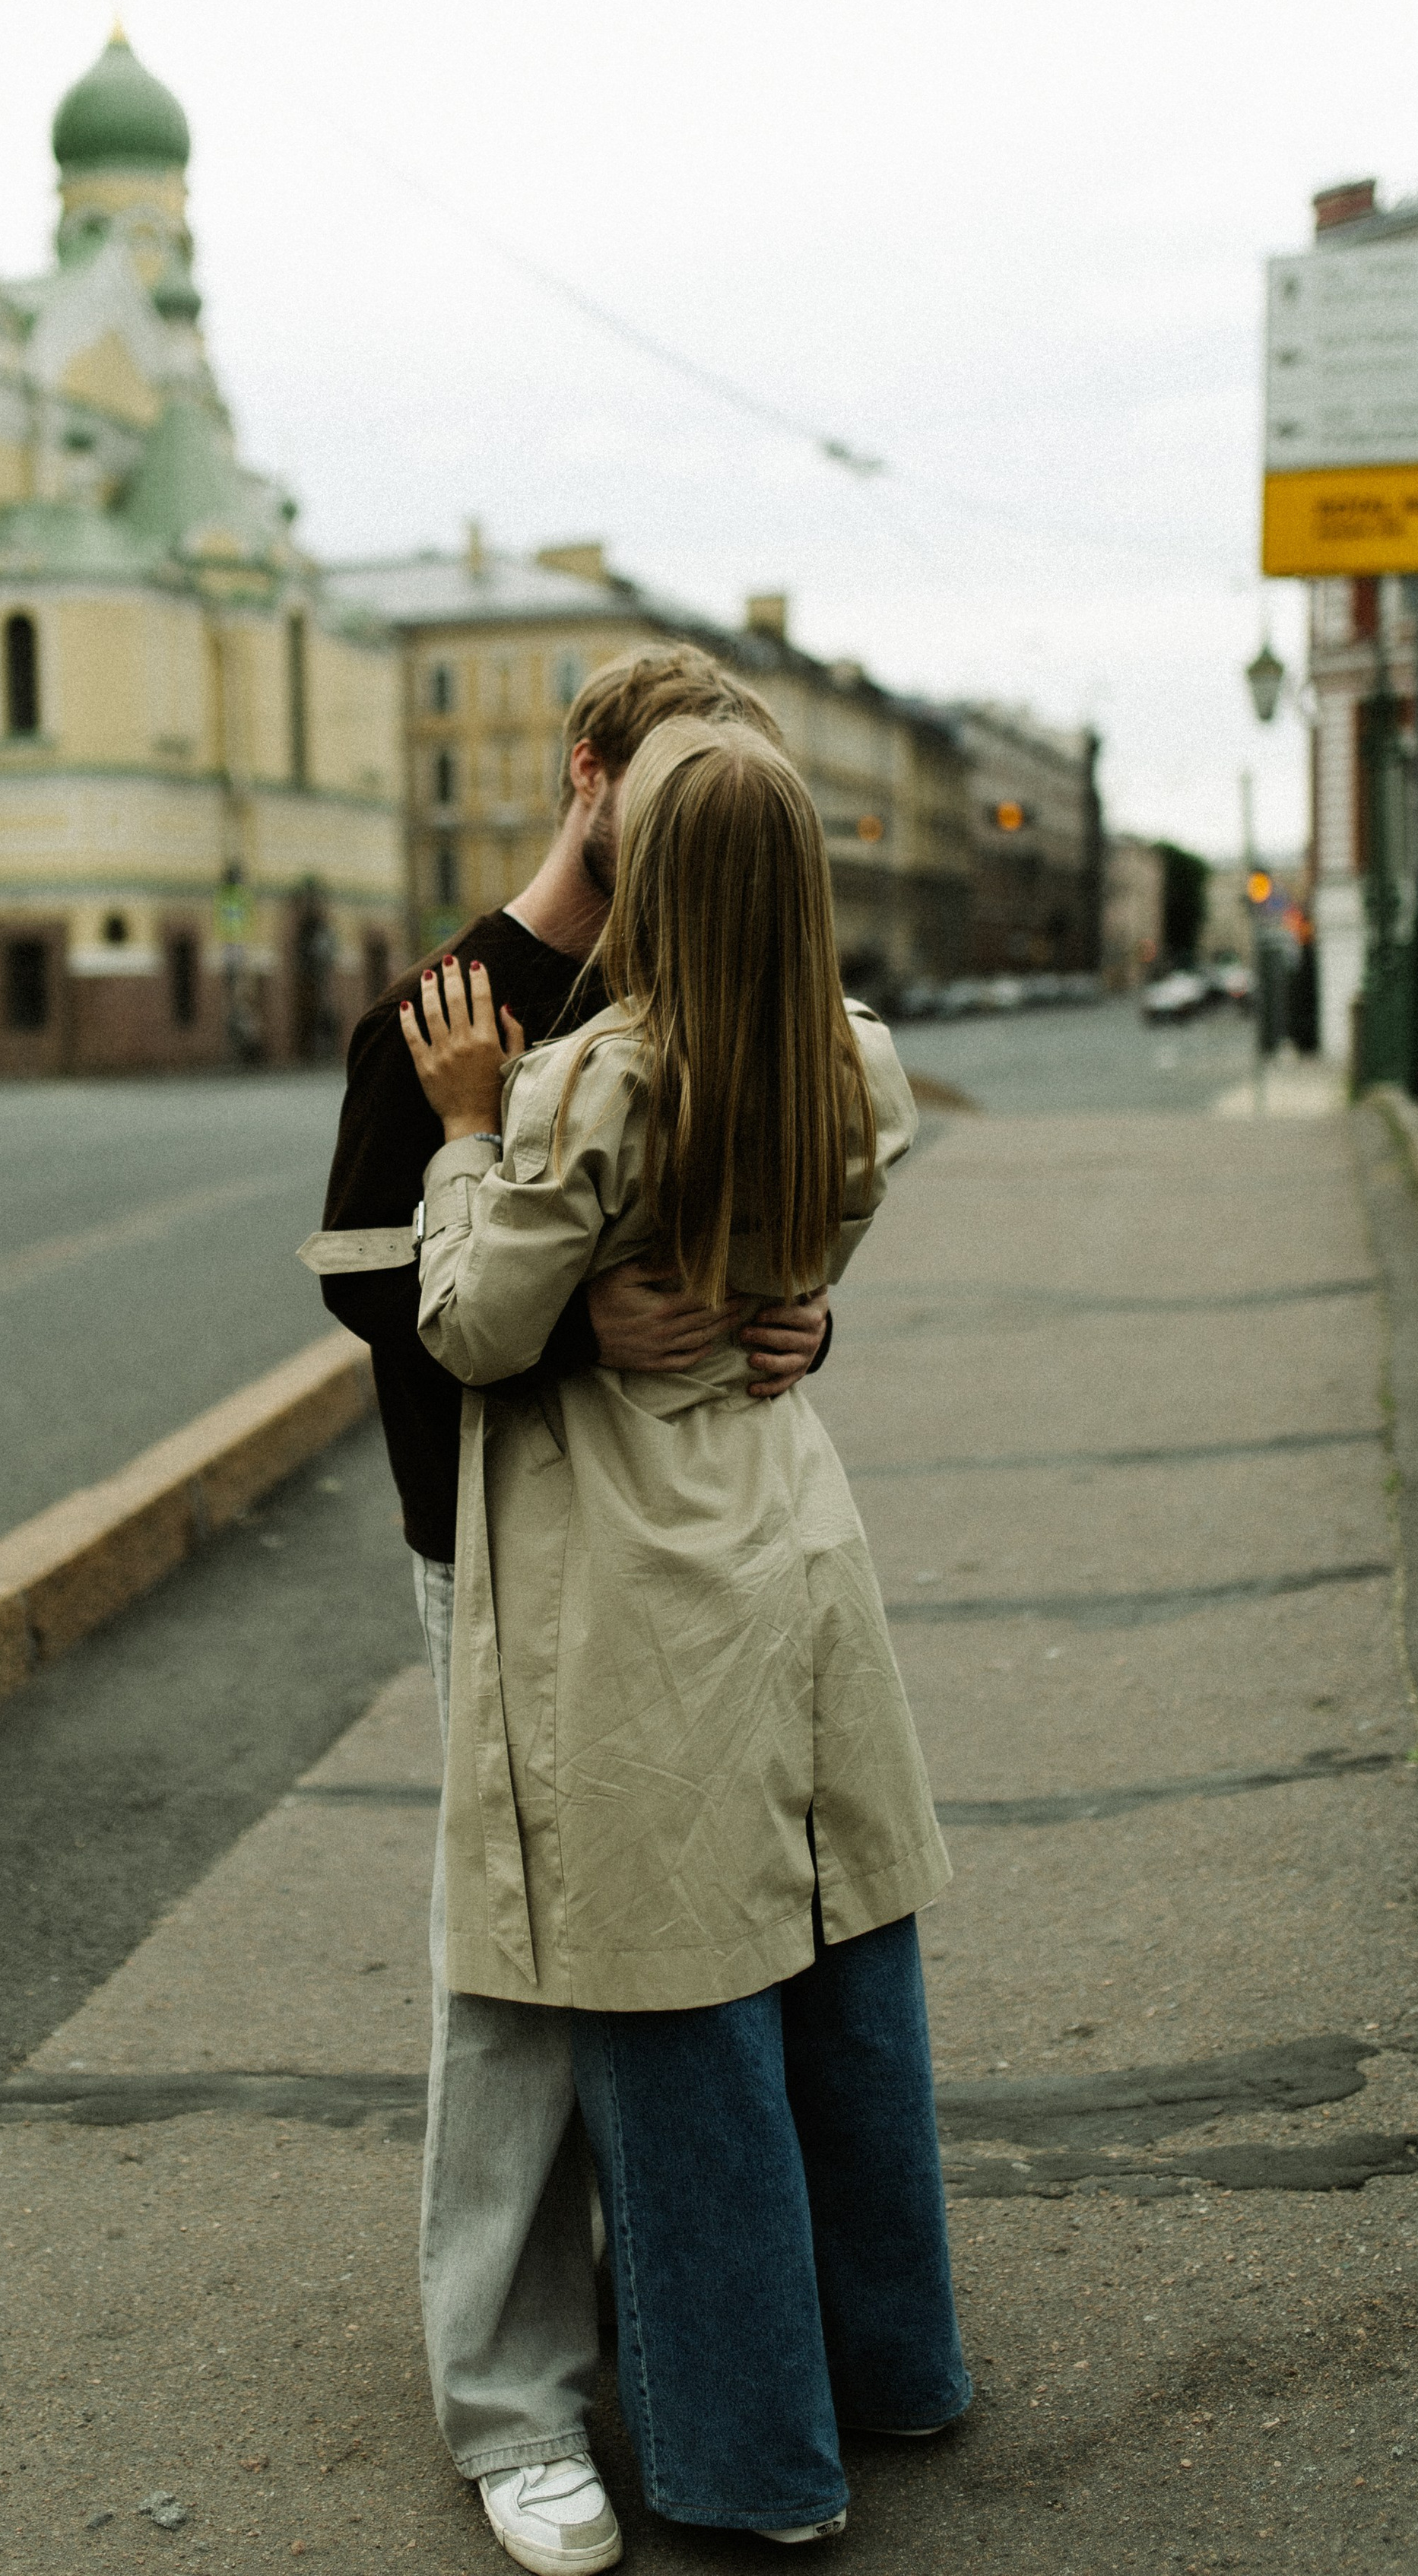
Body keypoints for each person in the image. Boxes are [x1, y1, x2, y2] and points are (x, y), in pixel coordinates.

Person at [403, 715, 968, 2549]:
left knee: (683, 2022)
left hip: (638, 1590)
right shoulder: (857, 1065)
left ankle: (750, 2465)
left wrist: (467, 1133)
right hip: (796, 1549)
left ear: (641, 873)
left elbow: (476, 1328)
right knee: (842, 1986)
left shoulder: (585, 1086)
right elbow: (802, 1275)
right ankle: (890, 2369)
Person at [308, 648, 837, 2575]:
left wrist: (798, 1315)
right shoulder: (450, 1010)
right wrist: (557, 1328)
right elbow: (371, 1282)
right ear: (586, 774)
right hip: (501, 1555)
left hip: (679, 1554)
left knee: (680, 1952)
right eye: (671, 771)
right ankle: (511, 2407)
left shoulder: (701, 964)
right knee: (516, 1982)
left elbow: (763, 1209)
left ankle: (666, 2332)